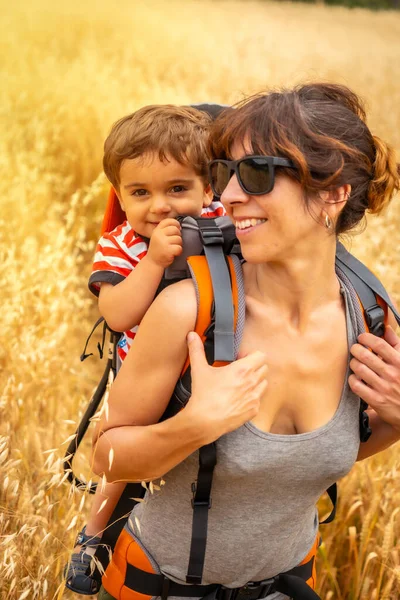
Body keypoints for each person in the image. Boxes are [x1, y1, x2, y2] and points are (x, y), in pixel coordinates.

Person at [92, 84, 400, 600]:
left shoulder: (371, 321)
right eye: (223, 174)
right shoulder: (190, 310)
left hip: (290, 587)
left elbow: (314, 456)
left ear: (332, 193)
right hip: (156, 589)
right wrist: (194, 426)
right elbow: (108, 458)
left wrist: (396, 419)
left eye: (256, 174)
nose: (229, 196)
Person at [65, 104, 225, 595]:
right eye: (140, 193)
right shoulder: (121, 245)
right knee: (121, 458)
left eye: (178, 189)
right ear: (120, 196)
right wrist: (154, 261)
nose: (161, 206)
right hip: (143, 373)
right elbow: (117, 315)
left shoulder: (223, 219)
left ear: (209, 189)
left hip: (212, 361)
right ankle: (92, 538)